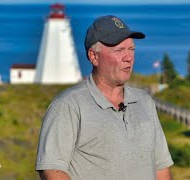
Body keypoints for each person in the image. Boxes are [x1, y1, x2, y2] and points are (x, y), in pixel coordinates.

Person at [35, 15, 174, 180]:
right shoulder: (68, 105)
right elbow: (52, 171)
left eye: (131, 49)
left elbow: (161, 167)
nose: (128, 57)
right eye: (119, 50)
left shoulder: (145, 101)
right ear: (94, 56)